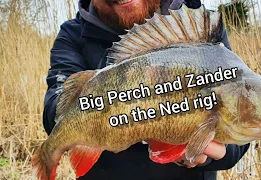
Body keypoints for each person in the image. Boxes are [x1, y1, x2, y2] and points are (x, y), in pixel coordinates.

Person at [43, 0, 250, 179]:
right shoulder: (71, 35)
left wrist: (203, 155)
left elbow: (239, 141)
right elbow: (55, 111)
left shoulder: (200, 26)